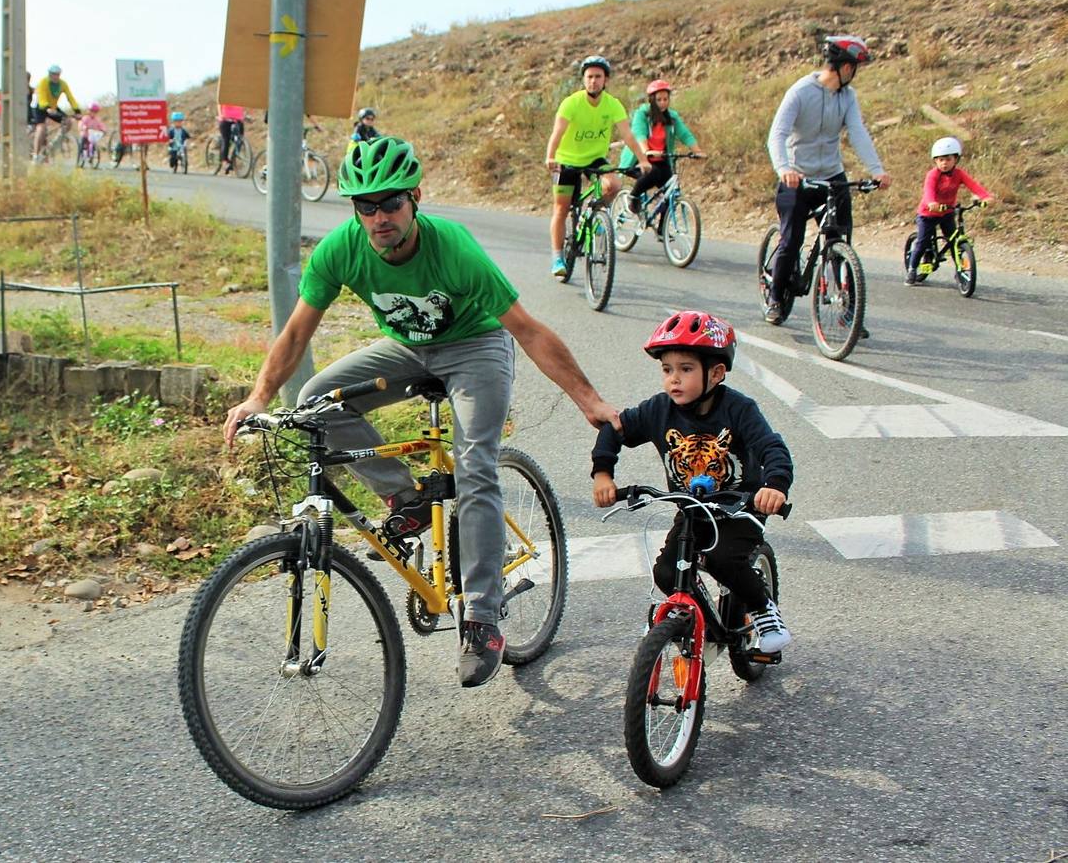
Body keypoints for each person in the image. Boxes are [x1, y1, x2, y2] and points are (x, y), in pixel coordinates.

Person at [223, 136, 621, 688]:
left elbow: (526, 330)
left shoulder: (453, 248)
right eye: (366, 205)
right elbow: (296, 331)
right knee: (315, 400)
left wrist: (588, 398)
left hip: (477, 345)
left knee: (474, 464)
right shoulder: (342, 249)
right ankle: (405, 496)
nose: (379, 216)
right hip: (408, 347)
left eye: (390, 203)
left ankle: (482, 617)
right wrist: (259, 397)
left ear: (415, 198)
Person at [591, 310, 794, 654]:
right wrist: (603, 473)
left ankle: (763, 609)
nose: (674, 380)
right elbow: (616, 429)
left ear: (715, 373)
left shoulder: (739, 410)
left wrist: (774, 485)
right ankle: (694, 613)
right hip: (692, 509)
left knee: (723, 560)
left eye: (685, 369)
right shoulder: (658, 409)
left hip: (738, 508)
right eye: (667, 370)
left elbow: (771, 447)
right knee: (667, 573)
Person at [765, 35, 891, 328]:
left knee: (839, 239)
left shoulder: (848, 97)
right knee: (791, 239)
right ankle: (774, 297)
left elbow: (857, 133)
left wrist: (877, 170)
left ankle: (848, 313)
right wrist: (784, 168)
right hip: (798, 177)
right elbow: (777, 135)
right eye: (855, 67)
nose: (855, 73)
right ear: (844, 67)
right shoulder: (800, 91)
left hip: (832, 177)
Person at [545, 55, 650, 279]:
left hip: (594, 158)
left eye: (598, 77)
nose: (593, 81)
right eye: (589, 77)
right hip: (567, 160)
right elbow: (558, 132)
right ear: (583, 80)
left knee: (613, 184)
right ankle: (557, 257)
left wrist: (643, 159)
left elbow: (628, 135)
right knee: (561, 209)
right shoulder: (571, 103)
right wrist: (550, 157)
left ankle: (596, 214)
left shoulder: (612, 104)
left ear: (606, 80)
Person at [904, 136, 994, 286]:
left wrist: (985, 197)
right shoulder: (933, 175)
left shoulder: (959, 174)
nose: (944, 163)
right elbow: (928, 191)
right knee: (922, 242)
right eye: (940, 160)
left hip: (947, 212)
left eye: (948, 159)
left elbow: (973, 186)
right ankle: (912, 269)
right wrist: (932, 202)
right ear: (935, 161)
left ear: (956, 159)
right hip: (928, 214)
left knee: (954, 242)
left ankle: (960, 270)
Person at [619, 80, 705, 214]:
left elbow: (685, 134)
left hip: (661, 160)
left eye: (666, 99)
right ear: (652, 100)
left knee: (669, 193)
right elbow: (640, 134)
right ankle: (634, 197)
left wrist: (697, 151)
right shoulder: (642, 114)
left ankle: (661, 231)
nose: (663, 103)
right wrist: (647, 151)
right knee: (653, 173)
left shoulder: (671, 117)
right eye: (659, 100)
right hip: (639, 160)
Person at [32, 65, 81, 161]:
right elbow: (42, 98)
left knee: (68, 122)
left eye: (58, 75)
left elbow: (70, 97)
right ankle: (36, 154)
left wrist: (77, 110)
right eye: (53, 74)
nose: (56, 77)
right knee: (41, 127)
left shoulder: (63, 84)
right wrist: (47, 108)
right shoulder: (43, 82)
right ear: (49, 74)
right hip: (39, 106)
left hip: (53, 106)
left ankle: (53, 145)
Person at [217, 103, 248, 174]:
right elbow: (220, 103)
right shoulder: (226, 93)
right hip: (226, 119)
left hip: (238, 120)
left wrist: (243, 115)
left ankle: (232, 161)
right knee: (226, 140)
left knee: (240, 141)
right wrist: (220, 115)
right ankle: (225, 161)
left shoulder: (240, 95)